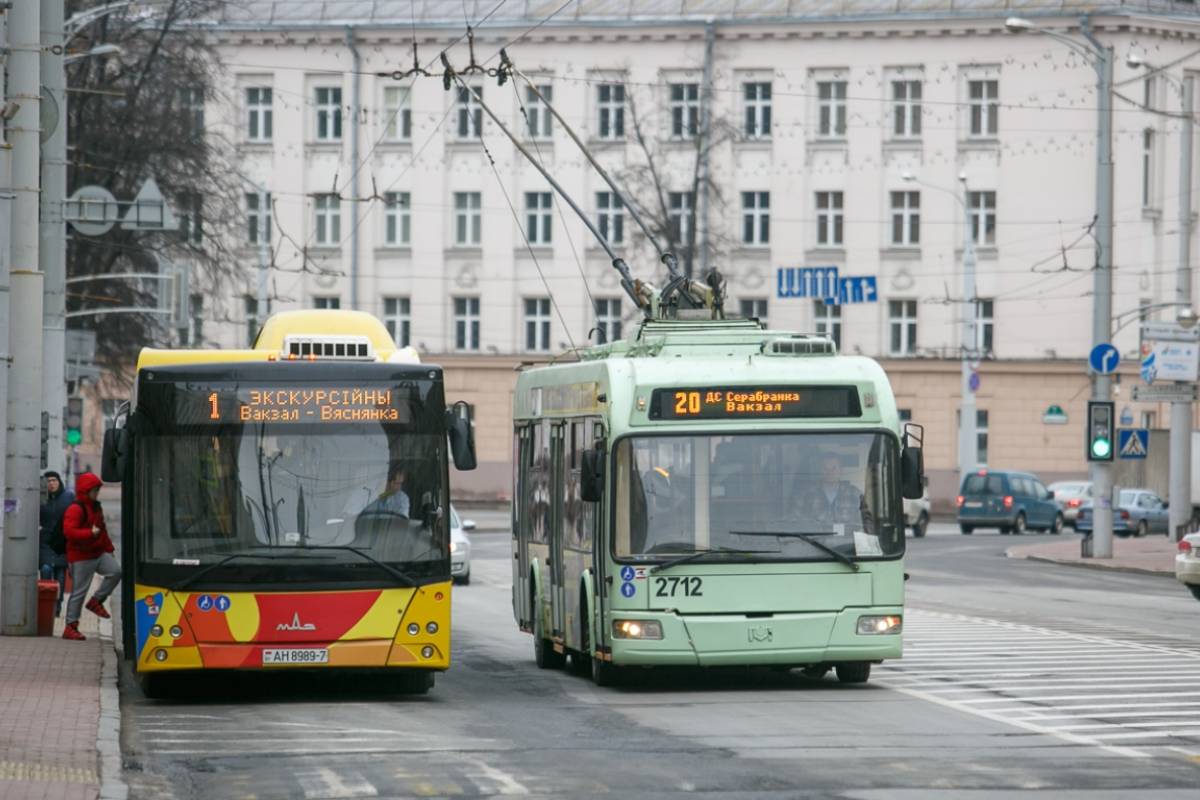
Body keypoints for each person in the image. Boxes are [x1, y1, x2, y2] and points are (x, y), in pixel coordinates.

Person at [62, 472, 122, 641]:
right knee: (79, 592)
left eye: (97, 490)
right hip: (80, 557)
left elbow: (102, 530)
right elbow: (69, 532)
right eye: (94, 490)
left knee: (116, 571)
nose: (97, 493)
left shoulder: (96, 507)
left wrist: (109, 549)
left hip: (97, 553)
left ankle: (96, 601)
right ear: (86, 491)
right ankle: (70, 626)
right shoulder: (75, 509)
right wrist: (89, 533)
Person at [793, 452, 872, 534]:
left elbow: (867, 523)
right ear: (820, 470)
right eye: (825, 468)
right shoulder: (806, 494)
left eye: (834, 468)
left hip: (847, 544)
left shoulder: (855, 494)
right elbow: (794, 521)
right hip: (813, 543)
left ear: (841, 470)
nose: (829, 472)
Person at [38, 471, 74, 616]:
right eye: (48, 481)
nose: (51, 483)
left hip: (62, 541)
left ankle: (57, 606)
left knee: (60, 575)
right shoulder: (40, 499)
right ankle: (46, 602)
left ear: (59, 481)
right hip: (45, 541)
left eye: (54, 480)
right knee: (46, 569)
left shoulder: (68, 497)